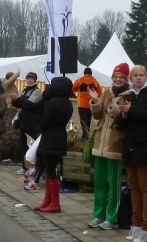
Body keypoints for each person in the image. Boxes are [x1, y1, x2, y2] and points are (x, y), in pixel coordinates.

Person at [115, 65, 147, 242]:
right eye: (135, 75)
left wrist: (131, 111)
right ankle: (135, 223)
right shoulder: (129, 96)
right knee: (134, 187)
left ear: (146, 77)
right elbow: (120, 123)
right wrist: (123, 114)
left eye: (141, 75)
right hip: (131, 148)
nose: (138, 78)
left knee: (146, 188)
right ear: (131, 78)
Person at [87, 62, 131, 230]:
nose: (117, 79)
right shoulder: (106, 92)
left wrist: (112, 103)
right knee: (99, 182)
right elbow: (98, 115)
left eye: (121, 77)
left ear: (126, 79)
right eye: (115, 76)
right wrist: (95, 101)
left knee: (113, 184)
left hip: (115, 144)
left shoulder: (129, 96)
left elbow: (121, 119)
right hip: (100, 143)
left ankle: (112, 217)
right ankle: (99, 214)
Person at [33, 76, 74, 213]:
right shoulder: (68, 103)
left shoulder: (53, 102)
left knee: (50, 170)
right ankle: (48, 201)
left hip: (50, 137)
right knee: (51, 169)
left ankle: (54, 203)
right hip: (60, 136)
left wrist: (39, 129)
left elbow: (45, 121)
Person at [10, 72, 44, 177]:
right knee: (24, 146)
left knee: (31, 147)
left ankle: (32, 168)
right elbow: (20, 104)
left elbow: (30, 104)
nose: (29, 80)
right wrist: (14, 100)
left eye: (31, 79)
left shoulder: (37, 92)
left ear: (35, 80)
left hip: (33, 124)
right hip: (24, 123)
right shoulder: (24, 90)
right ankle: (25, 167)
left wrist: (18, 99)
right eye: (28, 78)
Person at [72, 67, 103, 140]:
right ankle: (87, 134)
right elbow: (100, 93)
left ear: (84, 73)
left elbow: (73, 88)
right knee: (88, 119)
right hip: (90, 104)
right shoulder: (95, 82)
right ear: (91, 73)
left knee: (83, 120)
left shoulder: (80, 80)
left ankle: (85, 135)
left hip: (82, 104)